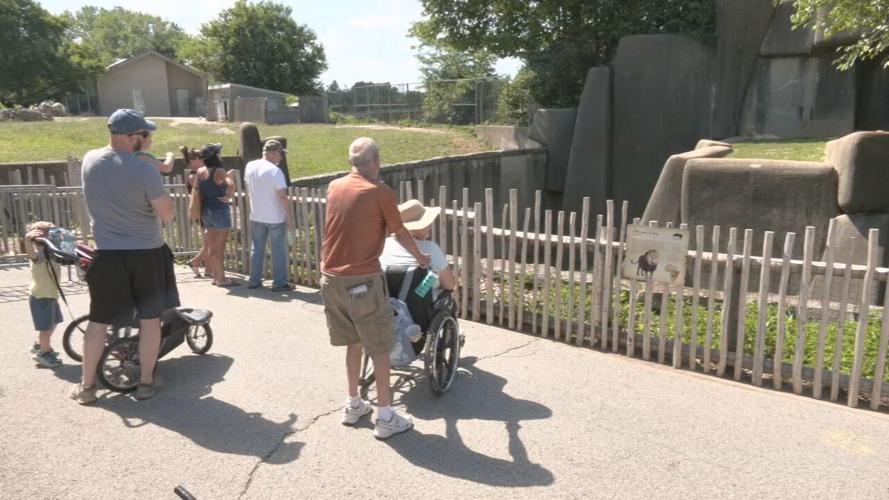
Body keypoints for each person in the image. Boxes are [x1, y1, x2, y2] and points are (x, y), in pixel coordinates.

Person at [320, 136, 431, 440]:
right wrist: (421, 257)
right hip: (362, 281)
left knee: (353, 342)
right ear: (377, 162)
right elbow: (400, 232)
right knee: (380, 348)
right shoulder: (380, 192)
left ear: (351, 164)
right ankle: (385, 416)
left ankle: (354, 403)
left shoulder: (334, 187)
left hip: (330, 279)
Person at [71, 108, 180, 404]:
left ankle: (87, 387)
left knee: (98, 321)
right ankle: (145, 383)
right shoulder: (144, 169)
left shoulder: (90, 160)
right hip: (147, 253)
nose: (148, 139)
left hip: (107, 254)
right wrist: (147, 159)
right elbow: (167, 214)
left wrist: (142, 155)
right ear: (133, 137)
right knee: (149, 321)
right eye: (145, 135)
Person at [379, 199, 457, 298]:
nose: (429, 227)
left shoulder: (384, 245)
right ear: (415, 228)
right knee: (435, 277)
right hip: (419, 305)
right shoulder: (430, 248)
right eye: (426, 224)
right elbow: (450, 285)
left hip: (389, 304)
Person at [245, 140, 294, 291]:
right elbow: (282, 196)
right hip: (275, 216)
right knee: (278, 250)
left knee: (257, 249)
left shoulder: (250, 166)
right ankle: (279, 283)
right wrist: (289, 219)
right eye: (280, 154)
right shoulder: (275, 171)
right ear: (273, 153)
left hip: (256, 215)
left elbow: (248, 189)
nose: (281, 158)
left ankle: (254, 280)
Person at [195, 143, 238, 287]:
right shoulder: (219, 170)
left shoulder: (200, 172)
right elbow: (230, 184)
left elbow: (197, 190)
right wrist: (230, 189)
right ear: (215, 156)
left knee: (212, 248)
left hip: (206, 211)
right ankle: (221, 279)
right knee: (219, 249)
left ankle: (216, 277)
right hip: (220, 211)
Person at [23, 221, 63, 369]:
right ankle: (45, 353)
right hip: (41, 297)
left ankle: (40, 344)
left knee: (55, 321)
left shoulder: (52, 252)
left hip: (51, 295)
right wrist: (28, 239)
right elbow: (30, 253)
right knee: (45, 329)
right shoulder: (38, 255)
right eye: (50, 234)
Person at [181, 146, 208, 277]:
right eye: (200, 158)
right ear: (193, 160)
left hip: (202, 210)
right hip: (201, 210)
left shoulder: (195, 175)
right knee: (210, 241)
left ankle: (209, 269)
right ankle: (195, 261)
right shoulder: (193, 176)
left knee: (208, 240)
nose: (203, 161)